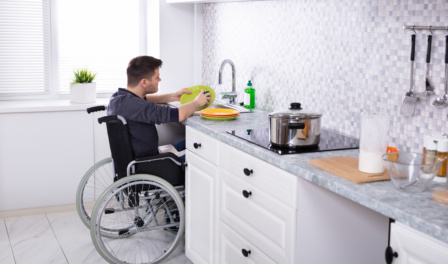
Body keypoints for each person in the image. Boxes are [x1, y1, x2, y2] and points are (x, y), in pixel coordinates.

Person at [107, 55, 210, 162]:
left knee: (189, 142)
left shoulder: (118, 99)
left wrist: (172, 96)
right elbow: (179, 114)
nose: (160, 79)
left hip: (140, 159)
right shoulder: (137, 105)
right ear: (144, 82)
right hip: (150, 164)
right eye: (157, 77)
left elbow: (146, 100)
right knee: (204, 152)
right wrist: (197, 102)